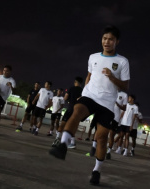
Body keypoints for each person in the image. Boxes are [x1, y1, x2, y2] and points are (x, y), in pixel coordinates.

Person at [49, 25, 130, 185]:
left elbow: (125, 86)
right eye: (104, 38)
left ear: (117, 42)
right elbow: (89, 76)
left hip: (107, 104)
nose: (107, 42)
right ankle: (63, 145)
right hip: (90, 96)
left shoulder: (122, 61)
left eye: (111, 39)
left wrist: (113, 77)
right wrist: (85, 92)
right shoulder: (93, 57)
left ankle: (96, 170)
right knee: (77, 110)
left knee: (101, 138)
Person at [51, 77, 83, 149]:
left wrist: (68, 98)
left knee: (62, 124)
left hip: (70, 109)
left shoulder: (71, 88)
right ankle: (72, 142)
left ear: (75, 82)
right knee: (72, 127)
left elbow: (65, 98)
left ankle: (57, 139)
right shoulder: (82, 91)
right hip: (77, 111)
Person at [106, 91, 127, 159]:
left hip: (116, 117)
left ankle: (108, 151)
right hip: (108, 114)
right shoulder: (111, 90)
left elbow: (124, 108)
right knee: (103, 132)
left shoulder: (124, 95)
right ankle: (97, 148)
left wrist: (117, 104)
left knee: (111, 135)